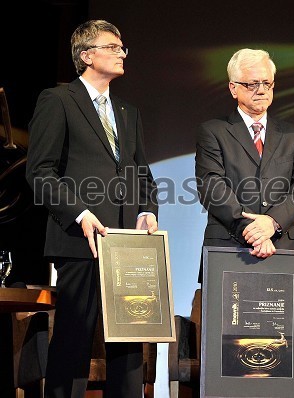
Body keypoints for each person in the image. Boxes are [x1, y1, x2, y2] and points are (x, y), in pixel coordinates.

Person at [25, 20, 158, 398]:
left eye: (122, 47)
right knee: (74, 341)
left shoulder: (128, 111)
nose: (121, 53)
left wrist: (147, 211)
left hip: (127, 243)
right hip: (80, 240)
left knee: (129, 347)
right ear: (86, 55)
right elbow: (40, 172)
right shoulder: (59, 100)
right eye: (113, 46)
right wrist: (80, 213)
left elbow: (141, 172)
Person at [195, 48, 294, 278]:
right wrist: (250, 231)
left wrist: (272, 223)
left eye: (266, 83)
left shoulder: (292, 134)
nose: (261, 90)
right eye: (252, 84)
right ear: (233, 88)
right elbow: (212, 186)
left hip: (282, 245)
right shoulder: (213, 131)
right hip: (230, 245)